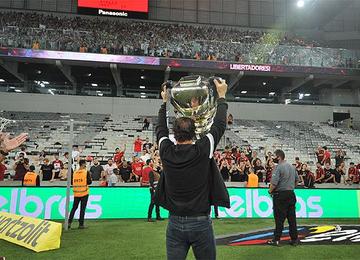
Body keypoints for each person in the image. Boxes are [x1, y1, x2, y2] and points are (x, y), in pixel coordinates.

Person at [156, 78, 228, 260]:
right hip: (200, 223)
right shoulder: (202, 150)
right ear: (194, 133)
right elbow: (219, 124)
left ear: (175, 133)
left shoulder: (166, 151)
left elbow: (160, 128)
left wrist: (164, 102)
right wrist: (221, 96)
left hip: (174, 222)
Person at [267, 149, 299, 246]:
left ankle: (276, 239)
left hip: (280, 195)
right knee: (292, 219)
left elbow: (273, 183)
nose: (272, 158)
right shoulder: (292, 167)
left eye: (274, 156)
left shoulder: (278, 167)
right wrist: (291, 187)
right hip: (291, 193)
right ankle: (294, 239)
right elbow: (297, 180)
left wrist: (270, 191)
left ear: (278, 157)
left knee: (279, 219)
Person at [68, 159, 92, 229]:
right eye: (85, 163)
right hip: (84, 192)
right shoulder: (86, 172)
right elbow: (89, 182)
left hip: (76, 193)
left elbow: (72, 183)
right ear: (83, 164)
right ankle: (81, 224)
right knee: (82, 209)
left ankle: (69, 222)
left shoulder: (75, 173)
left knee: (74, 208)